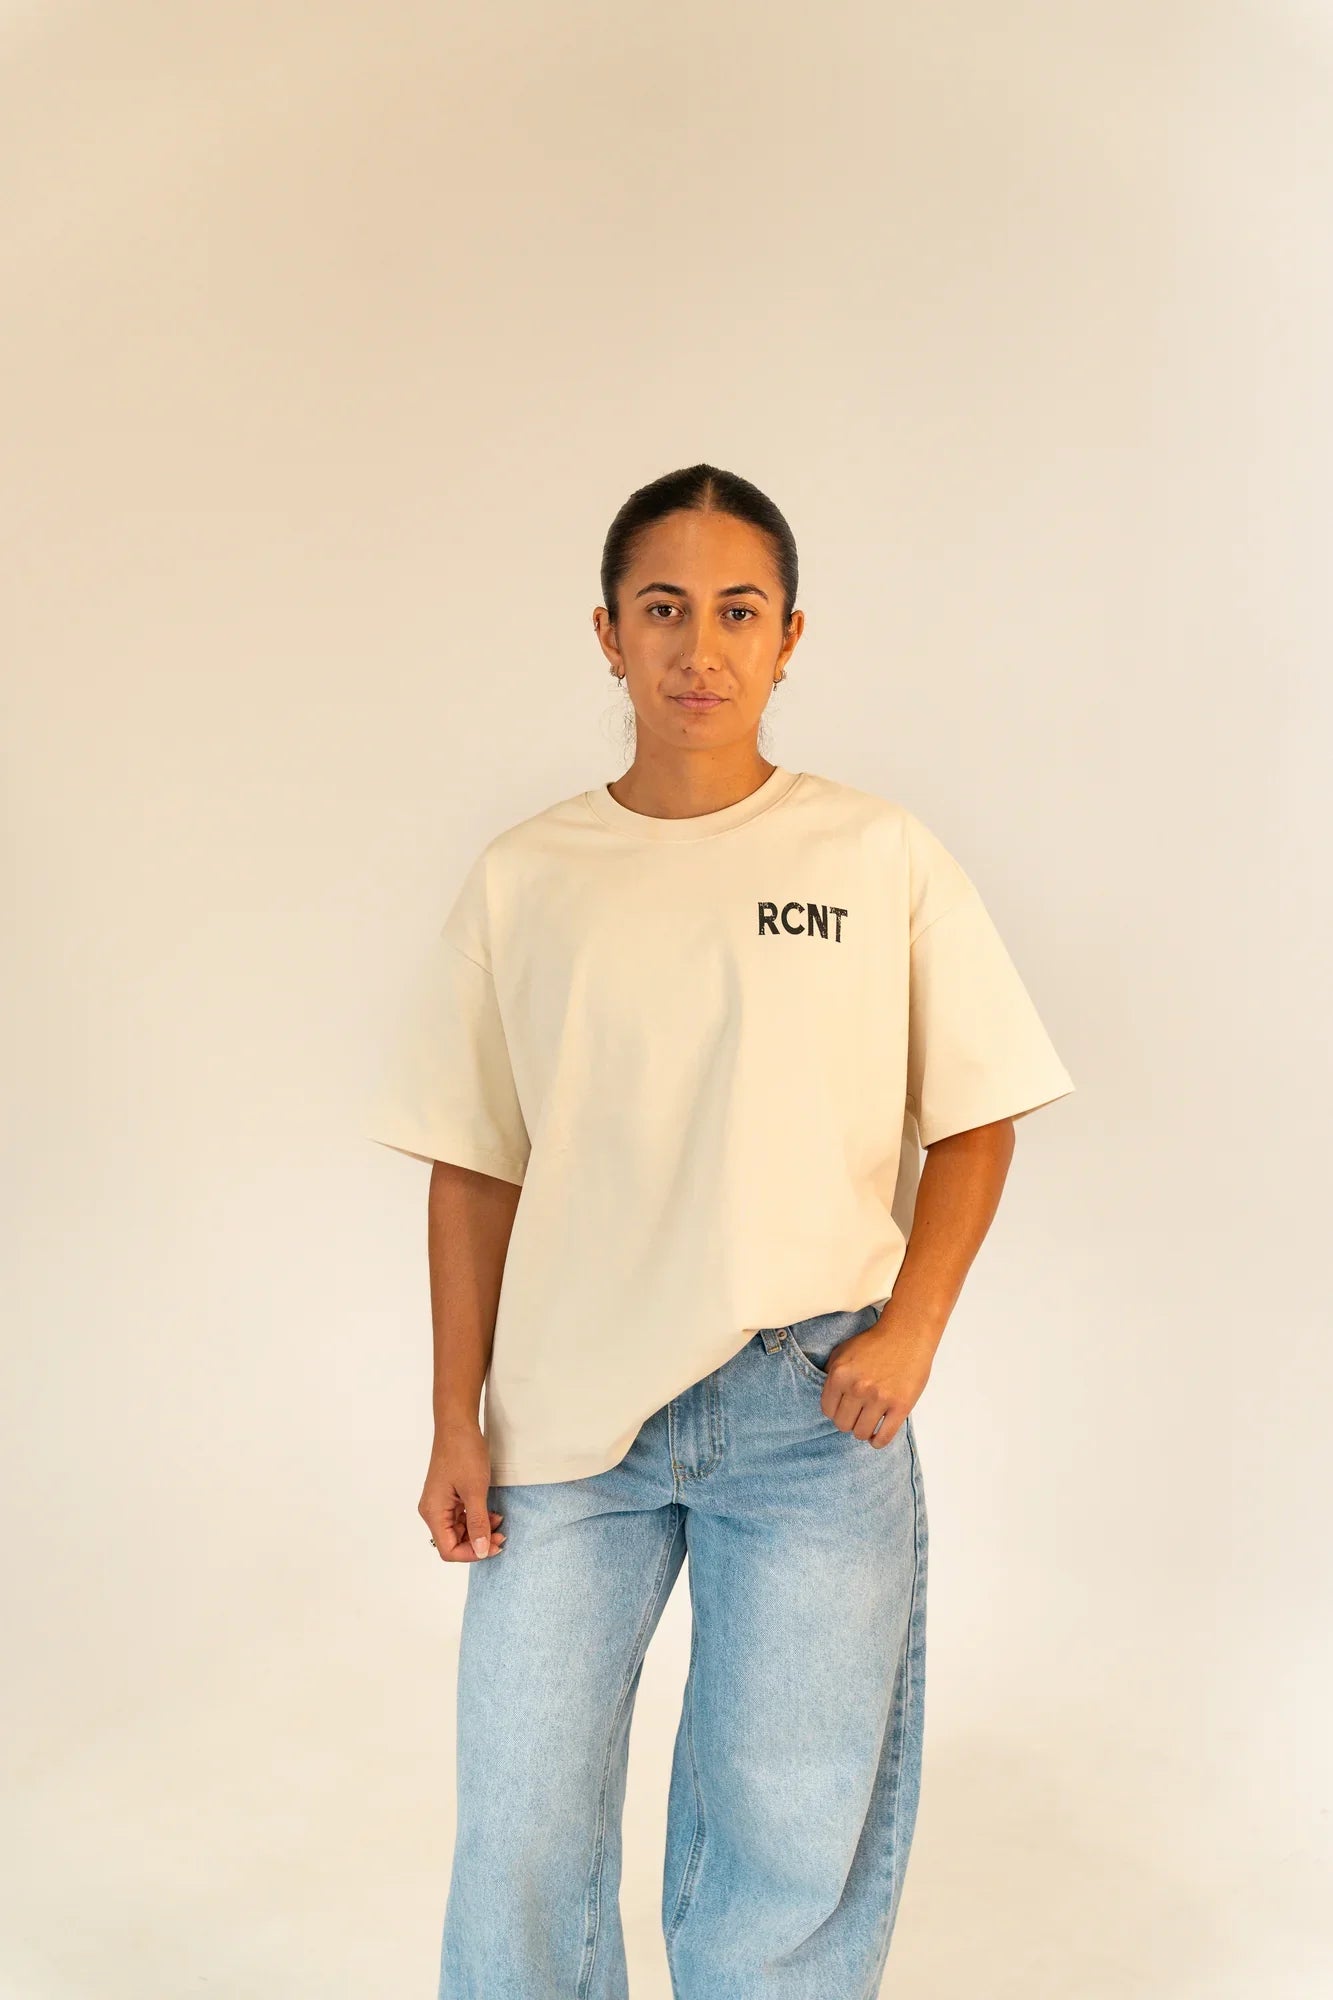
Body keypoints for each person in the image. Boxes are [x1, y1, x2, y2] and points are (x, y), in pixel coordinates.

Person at [364, 462, 1075, 1999]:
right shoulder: (529, 877)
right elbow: (473, 1166)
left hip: (811, 1408)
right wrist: (451, 1417)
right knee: (524, 1829)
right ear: (607, 636)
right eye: (664, 608)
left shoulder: (871, 856)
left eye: (736, 610)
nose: (701, 643)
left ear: (791, 636)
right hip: (566, 1418)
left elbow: (976, 1111)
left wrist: (916, 1326)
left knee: (785, 1833)